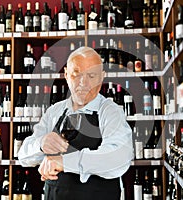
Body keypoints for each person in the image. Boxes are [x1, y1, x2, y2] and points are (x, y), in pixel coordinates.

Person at [18, 46, 133, 200]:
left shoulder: (110, 111)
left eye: (91, 76)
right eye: (76, 74)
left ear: (102, 77)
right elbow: (23, 156)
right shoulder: (54, 111)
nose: (83, 83)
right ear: (66, 75)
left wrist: (64, 162)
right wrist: (41, 143)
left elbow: (117, 158)